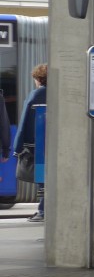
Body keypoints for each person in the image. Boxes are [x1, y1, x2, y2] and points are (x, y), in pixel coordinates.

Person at [16, 63, 46, 222]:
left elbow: (24, 122)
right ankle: (44, 209)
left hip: (38, 147)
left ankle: (43, 211)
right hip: (57, 146)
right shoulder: (59, 94)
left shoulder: (36, 95)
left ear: (39, 79)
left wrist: (17, 147)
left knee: (42, 179)